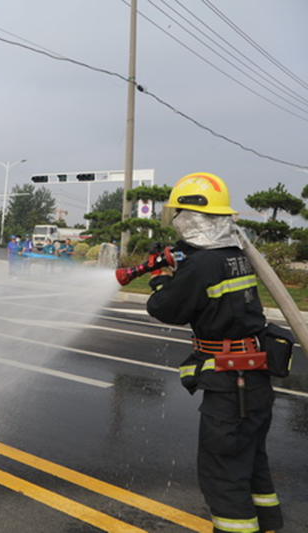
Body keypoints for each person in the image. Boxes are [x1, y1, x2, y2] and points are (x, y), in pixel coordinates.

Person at [146, 172, 283, 533]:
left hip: (230, 385)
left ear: (191, 217)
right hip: (254, 379)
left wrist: (160, 280)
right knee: (251, 464)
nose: (176, 220)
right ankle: (269, 525)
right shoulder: (236, 255)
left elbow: (165, 308)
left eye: (178, 213)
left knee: (222, 474)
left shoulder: (201, 266)